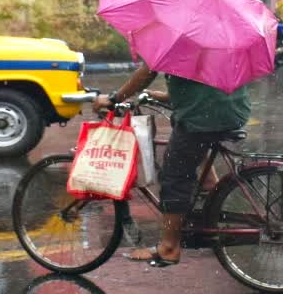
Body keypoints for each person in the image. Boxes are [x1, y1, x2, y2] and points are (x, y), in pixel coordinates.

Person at [94, 63, 251, 267]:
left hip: (203, 115)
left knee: (174, 177)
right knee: (190, 141)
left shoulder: (180, 35)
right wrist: (166, 96)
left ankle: (168, 248)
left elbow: (148, 70)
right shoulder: (223, 36)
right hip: (233, 110)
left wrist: (114, 98)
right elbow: (206, 76)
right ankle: (210, 187)